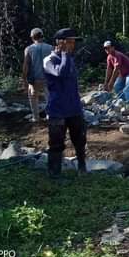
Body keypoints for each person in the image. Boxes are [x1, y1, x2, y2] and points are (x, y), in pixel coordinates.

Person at [43, 28, 87, 178]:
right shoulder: (48, 61)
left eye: (74, 42)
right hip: (57, 111)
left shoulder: (69, 59)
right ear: (59, 43)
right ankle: (54, 175)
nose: (72, 45)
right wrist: (64, 53)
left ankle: (82, 168)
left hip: (74, 108)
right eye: (69, 42)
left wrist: (66, 55)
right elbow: (60, 74)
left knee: (80, 140)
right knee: (56, 144)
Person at [22, 28, 52, 123]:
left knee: (33, 98)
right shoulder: (50, 48)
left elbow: (26, 65)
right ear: (42, 36)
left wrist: (24, 79)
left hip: (34, 79)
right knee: (49, 98)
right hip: (48, 78)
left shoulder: (29, 49)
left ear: (32, 37)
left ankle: (36, 118)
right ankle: (50, 116)